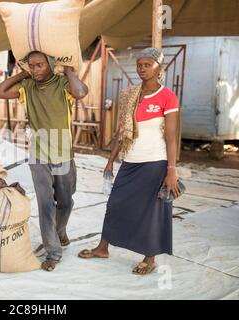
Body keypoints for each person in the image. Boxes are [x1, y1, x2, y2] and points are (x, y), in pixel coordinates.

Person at [78, 48, 182, 275]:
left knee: (151, 211)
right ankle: (103, 248)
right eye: (139, 65)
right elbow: (121, 132)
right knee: (115, 204)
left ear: (158, 67)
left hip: (155, 162)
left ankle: (150, 258)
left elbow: (171, 136)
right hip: (131, 160)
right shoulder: (130, 95)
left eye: (147, 65)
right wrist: (110, 161)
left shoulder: (167, 96)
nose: (142, 69)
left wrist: (171, 170)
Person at [0, 51, 88, 271]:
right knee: (46, 205)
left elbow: (81, 92)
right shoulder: (27, 87)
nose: (35, 69)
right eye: (31, 66)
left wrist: (70, 71)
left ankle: (60, 230)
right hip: (38, 155)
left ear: (51, 65)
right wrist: (21, 74)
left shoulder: (64, 85)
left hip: (63, 153)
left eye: (39, 65)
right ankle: (53, 252)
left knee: (65, 201)